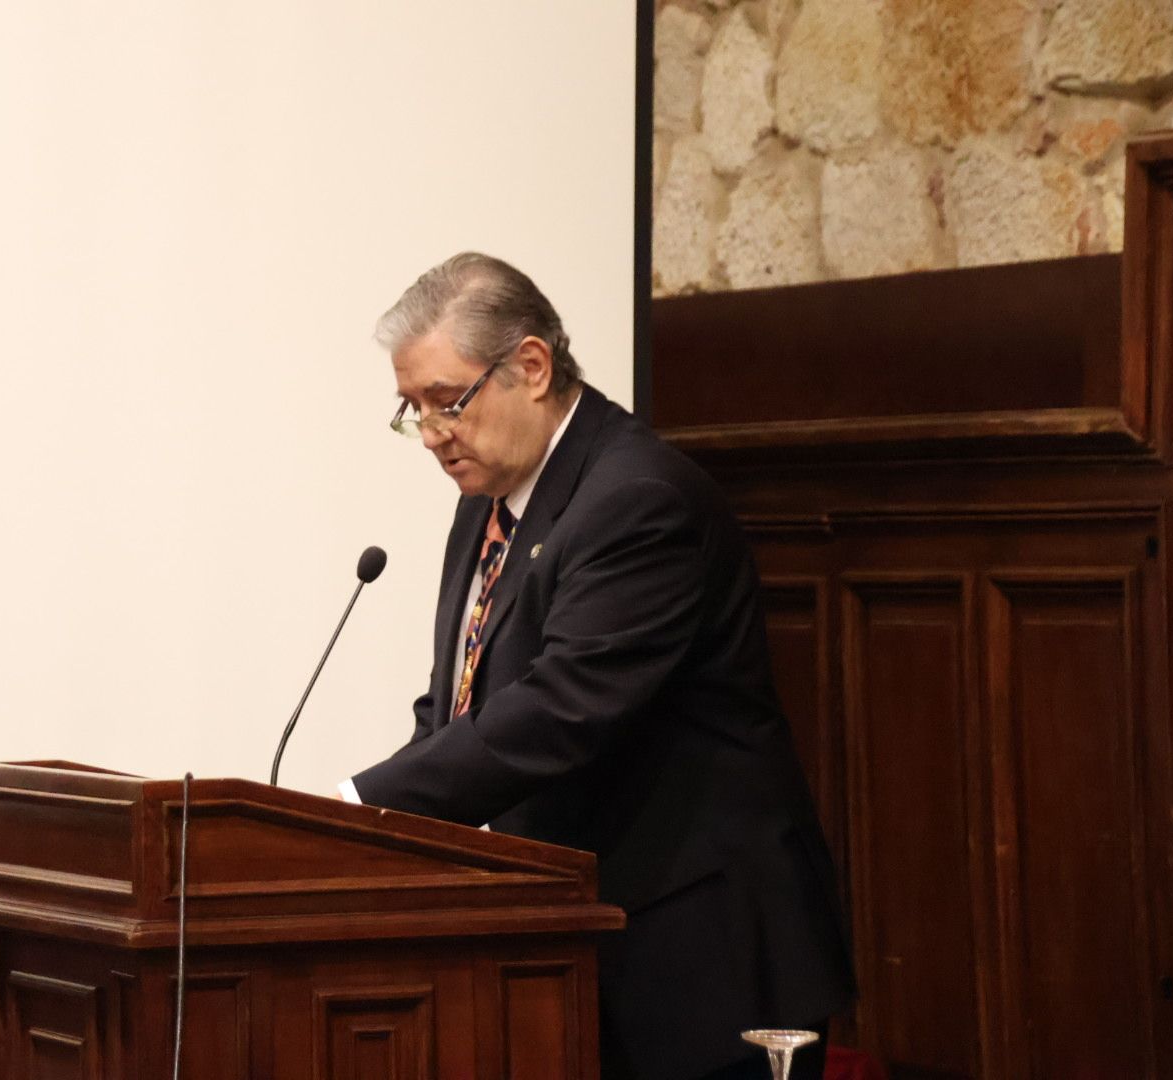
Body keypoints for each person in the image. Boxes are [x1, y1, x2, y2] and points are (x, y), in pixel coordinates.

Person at [346, 253, 856, 1080]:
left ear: (532, 365)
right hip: (587, 941)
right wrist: (352, 830)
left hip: (702, 954)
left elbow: (560, 708)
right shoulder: (489, 501)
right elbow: (463, 702)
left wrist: (364, 805)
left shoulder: (636, 499)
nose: (435, 434)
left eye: (448, 402)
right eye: (414, 410)